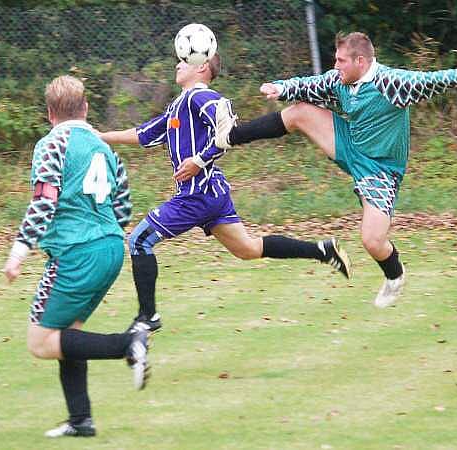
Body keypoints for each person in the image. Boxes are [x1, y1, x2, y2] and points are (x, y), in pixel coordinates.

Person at [215, 31, 457, 308]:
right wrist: (282, 87)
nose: (336, 66)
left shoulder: (391, 82)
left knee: (372, 240)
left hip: (380, 170)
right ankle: (230, 136)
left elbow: (432, 81)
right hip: (349, 144)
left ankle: (395, 275)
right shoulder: (339, 80)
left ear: (361, 62)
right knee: (301, 111)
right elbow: (310, 85)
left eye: (341, 61)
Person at [99, 53, 351, 336]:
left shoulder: (198, 97)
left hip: (199, 194)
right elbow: (143, 134)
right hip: (212, 192)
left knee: (139, 240)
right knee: (248, 249)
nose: (178, 64)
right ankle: (322, 250)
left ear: (202, 67)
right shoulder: (179, 105)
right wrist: (99, 136)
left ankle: (148, 316)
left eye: (185, 60)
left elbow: (224, 122)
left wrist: (199, 160)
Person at [3, 75, 149, 438]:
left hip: (77, 253)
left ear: (51, 113)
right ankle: (80, 420)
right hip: (113, 248)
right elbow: (124, 206)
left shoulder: (51, 144)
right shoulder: (106, 149)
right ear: (85, 108)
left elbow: (45, 200)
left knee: (40, 342)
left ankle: (128, 343)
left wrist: (19, 251)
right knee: (69, 332)